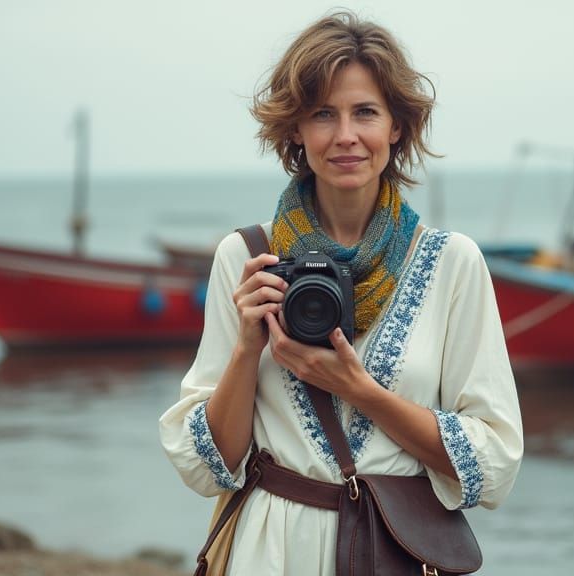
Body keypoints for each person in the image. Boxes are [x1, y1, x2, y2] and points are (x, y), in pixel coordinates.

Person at [159, 11, 523, 575]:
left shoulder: (453, 263)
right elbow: (210, 469)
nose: (345, 135)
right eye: (323, 114)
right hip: (270, 553)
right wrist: (245, 350)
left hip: (397, 552)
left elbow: (494, 459)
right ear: (296, 131)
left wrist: (359, 389)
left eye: (366, 113)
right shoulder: (248, 257)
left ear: (396, 127)